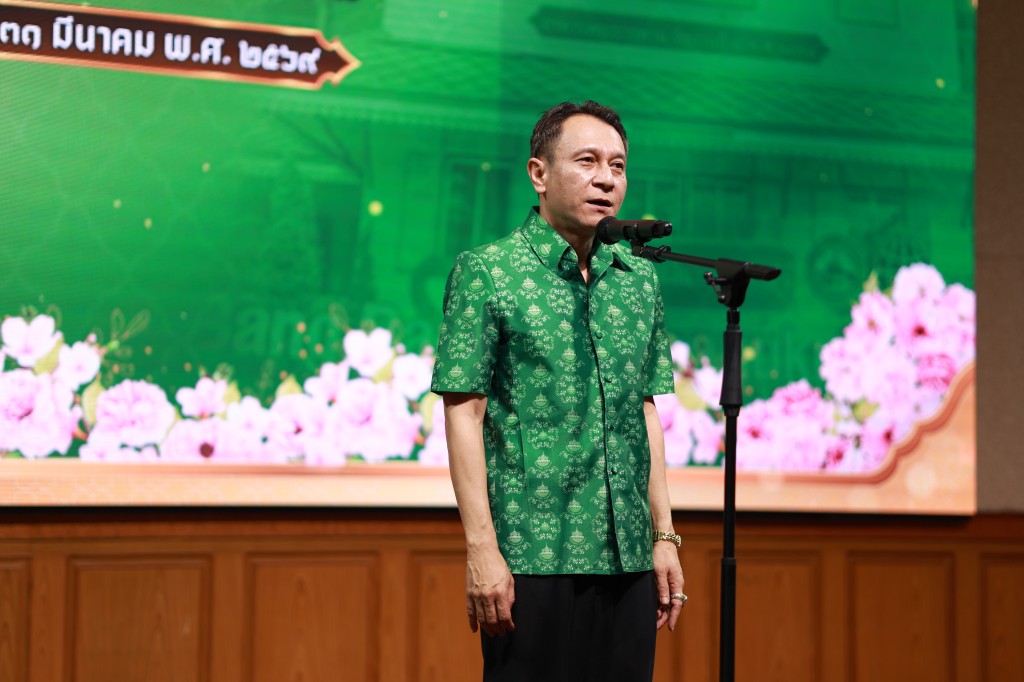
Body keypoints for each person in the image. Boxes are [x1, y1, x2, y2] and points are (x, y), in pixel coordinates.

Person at [430, 100, 685, 682]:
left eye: (618, 166)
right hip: (531, 558)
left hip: (628, 560)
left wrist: (664, 537)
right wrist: (481, 550)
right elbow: (464, 415)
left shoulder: (639, 278)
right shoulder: (488, 271)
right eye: (587, 161)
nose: (606, 179)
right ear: (538, 174)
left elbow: (644, 411)